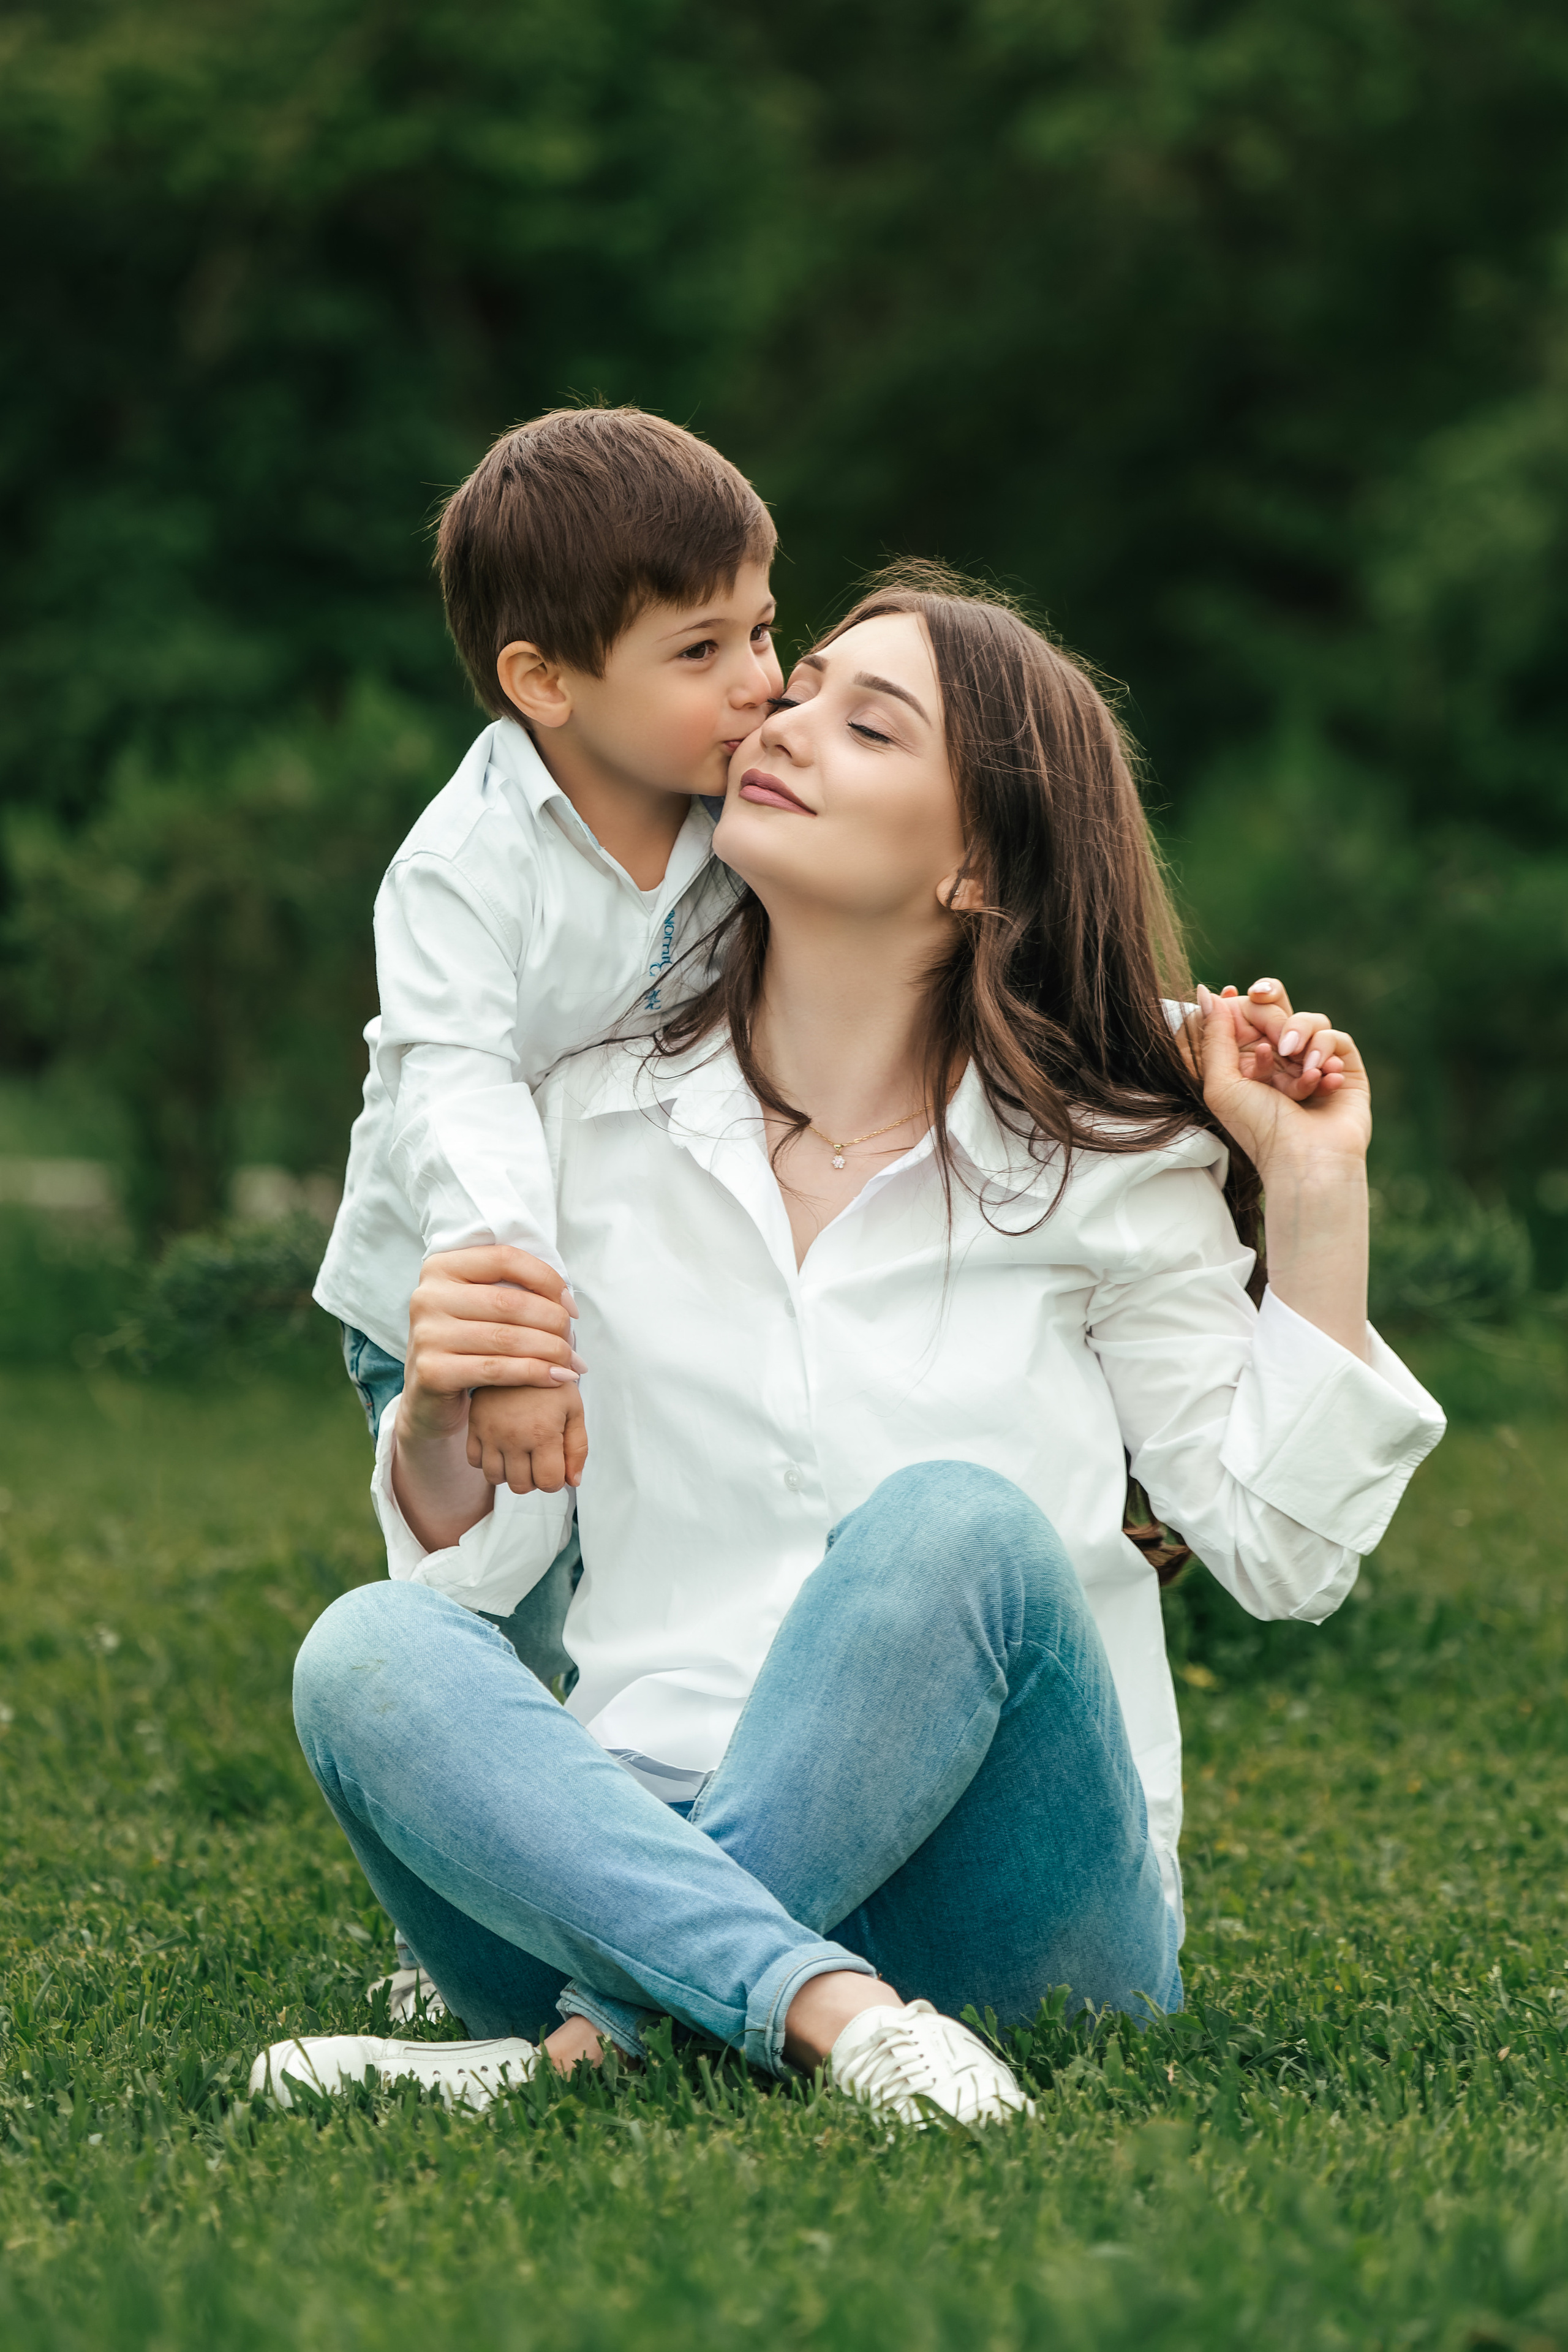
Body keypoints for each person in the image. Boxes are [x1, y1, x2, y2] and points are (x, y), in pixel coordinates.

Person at [256, 568, 1444, 2129]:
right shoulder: (573, 1126)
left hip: (1004, 1914)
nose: (781, 723)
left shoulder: (1105, 1162)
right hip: (625, 1847)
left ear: (976, 869)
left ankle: (602, 2039)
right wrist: (435, 1432)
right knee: (371, 1654)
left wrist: (1309, 1187)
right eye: (793, 685)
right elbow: (486, 1580)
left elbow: (1284, 1558)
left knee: (954, 1527)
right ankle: (805, 2011)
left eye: (865, 725)